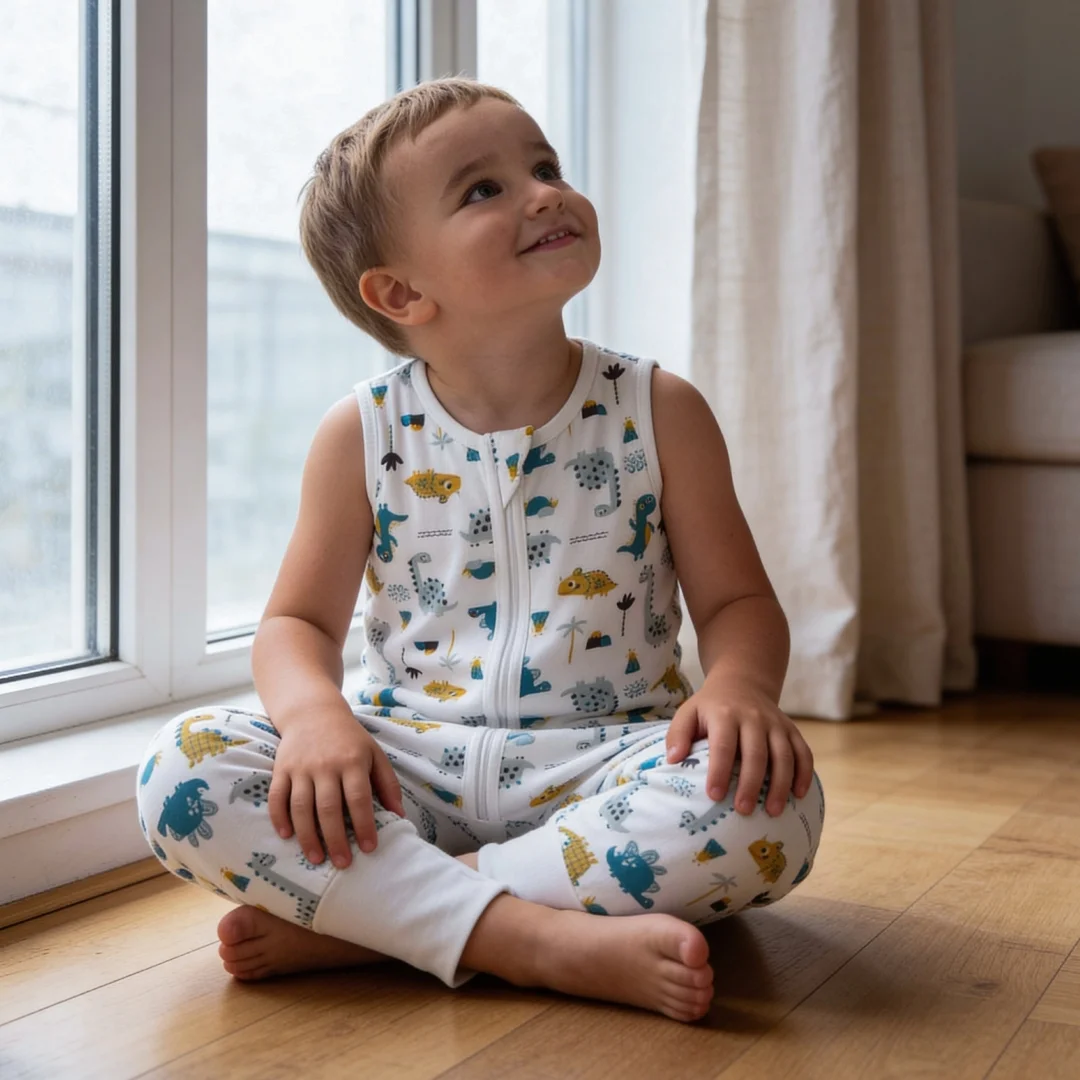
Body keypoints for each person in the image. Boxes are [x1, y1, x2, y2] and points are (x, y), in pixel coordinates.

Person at [135, 77, 824, 1024]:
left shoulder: (660, 410)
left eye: (545, 167)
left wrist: (739, 690)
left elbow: (741, 605)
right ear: (401, 292)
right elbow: (295, 622)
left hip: (603, 765)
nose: (543, 191)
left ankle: (372, 923)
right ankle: (536, 942)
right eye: (483, 189)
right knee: (182, 770)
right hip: (403, 764)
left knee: (773, 808)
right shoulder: (362, 433)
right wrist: (313, 719)